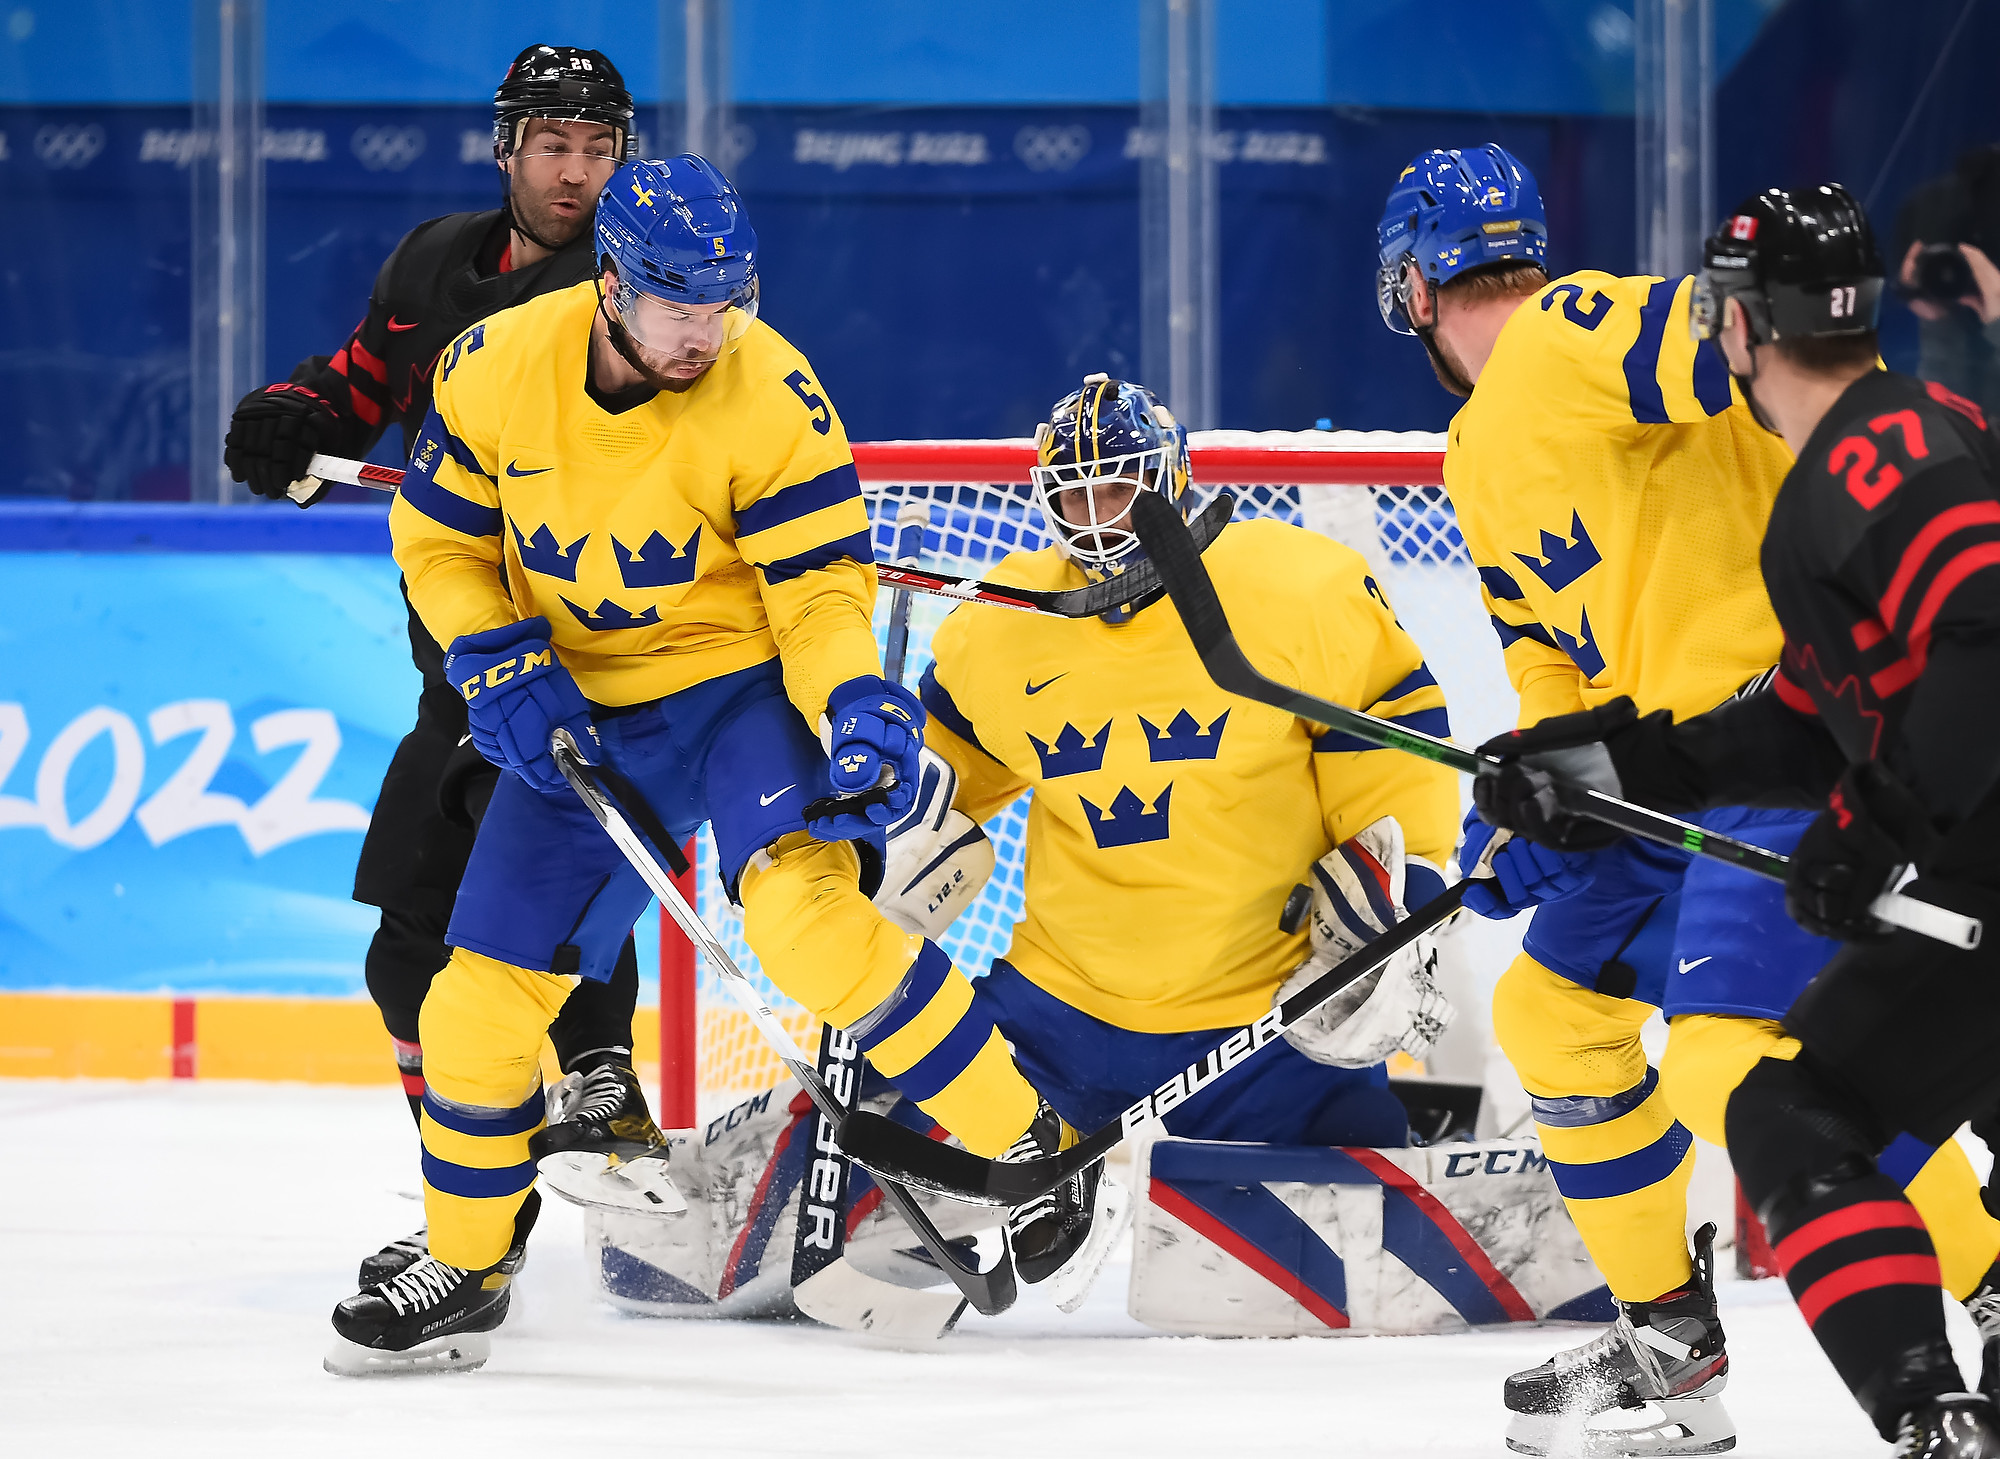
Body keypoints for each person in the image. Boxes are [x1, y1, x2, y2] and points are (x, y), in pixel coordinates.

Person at [324, 153, 1079, 1373]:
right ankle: (465, 1265)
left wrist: (853, 698)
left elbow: (821, 586)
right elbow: (442, 539)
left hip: (736, 697)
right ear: (612, 284)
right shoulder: (496, 365)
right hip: (582, 710)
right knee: (473, 1002)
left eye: (723, 300)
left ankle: (1033, 1145)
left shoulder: (769, 387)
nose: (702, 331)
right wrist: (491, 659)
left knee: (811, 930)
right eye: (678, 303)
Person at [1375, 147, 2000, 1456]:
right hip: (1676, 766)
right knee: (1549, 1010)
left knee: (1747, 1061)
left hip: (1792, 742)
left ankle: (1988, 1282)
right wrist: (1548, 786)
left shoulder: (1562, 333)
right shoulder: (1476, 450)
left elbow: (1727, 336)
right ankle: (1671, 1342)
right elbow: (1545, 651)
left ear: (1412, 289)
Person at [222, 45, 645, 1288]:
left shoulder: (628, 293)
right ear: (506, 148)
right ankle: (495, 1204)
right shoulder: (427, 265)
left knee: (527, 950)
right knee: (409, 957)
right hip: (458, 677)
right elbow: (360, 388)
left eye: (599, 147)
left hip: (589, 680)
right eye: (554, 146)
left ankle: (524, 1187)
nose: (576, 174)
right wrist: (293, 413)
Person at [917, 374, 1461, 1287]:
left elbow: (1392, 739)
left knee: (1373, 1228)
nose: (1099, 518)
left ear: (1171, 478)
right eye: (1075, 494)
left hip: (1266, 1019)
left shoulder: (1297, 588)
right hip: (1061, 1014)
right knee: (885, 1155)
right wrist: (882, 844)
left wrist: (1399, 895)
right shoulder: (1000, 625)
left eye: (1119, 486)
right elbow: (942, 781)